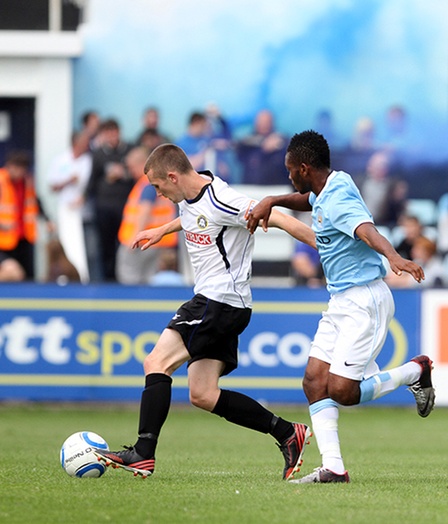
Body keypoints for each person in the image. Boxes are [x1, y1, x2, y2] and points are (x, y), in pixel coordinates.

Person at [93, 143, 317, 481]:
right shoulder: (188, 197)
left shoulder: (224, 199)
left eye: (157, 187)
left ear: (172, 176)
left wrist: (326, 248)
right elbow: (195, 218)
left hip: (218, 302)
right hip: (225, 304)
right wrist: (160, 230)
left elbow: (280, 218)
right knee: (202, 394)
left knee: (156, 363)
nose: (158, 194)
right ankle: (288, 433)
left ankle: (142, 453)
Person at [245, 130, 434, 484]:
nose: (289, 178)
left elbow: (365, 229)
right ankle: (333, 468)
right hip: (341, 300)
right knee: (314, 381)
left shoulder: (339, 198)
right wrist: (274, 199)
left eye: (290, 171)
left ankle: (415, 371)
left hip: (365, 299)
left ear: (303, 168)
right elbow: (308, 201)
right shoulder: (328, 187)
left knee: (343, 392)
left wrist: (394, 257)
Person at [115, 147, 178, 285]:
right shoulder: (159, 182)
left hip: (142, 243)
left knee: (130, 280)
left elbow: (145, 211)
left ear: (142, 163)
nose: (130, 171)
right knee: (151, 282)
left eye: (132, 167)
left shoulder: (147, 184)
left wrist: (134, 239)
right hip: (158, 242)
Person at [85, 119, 133, 282]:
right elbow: (93, 179)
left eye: (115, 132)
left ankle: (122, 277)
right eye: (108, 133)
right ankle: (107, 278)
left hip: (124, 206)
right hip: (104, 207)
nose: (112, 136)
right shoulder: (98, 154)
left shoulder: (129, 150)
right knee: (105, 245)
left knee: (123, 244)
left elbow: (137, 174)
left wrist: (123, 173)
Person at [48, 131, 92, 283]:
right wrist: (68, 180)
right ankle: (66, 274)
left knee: (84, 247)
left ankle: (82, 276)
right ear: (76, 142)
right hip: (65, 209)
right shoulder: (60, 160)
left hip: (84, 212)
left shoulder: (88, 161)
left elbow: (91, 185)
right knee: (66, 242)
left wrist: (84, 196)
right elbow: (52, 186)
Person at [0, 151, 47, 280]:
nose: (20, 172)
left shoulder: (27, 182)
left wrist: (47, 220)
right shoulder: (1, 181)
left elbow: (35, 202)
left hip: (24, 236)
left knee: (26, 275)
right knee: (13, 272)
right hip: (3, 240)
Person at [236, 109, 289, 185]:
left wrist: (279, 145)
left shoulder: (281, 140)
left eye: (266, 122)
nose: (264, 125)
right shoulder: (248, 142)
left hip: (276, 187)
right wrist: (264, 150)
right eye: (261, 122)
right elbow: (240, 154)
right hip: (251, 187)